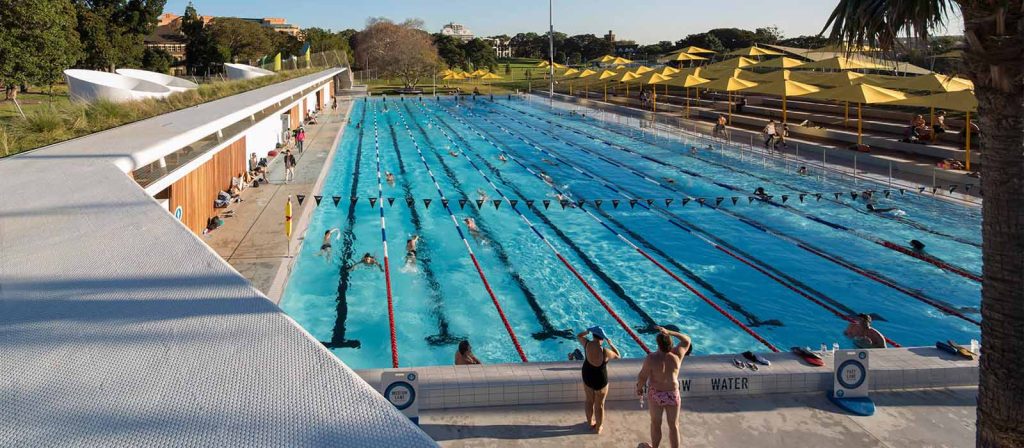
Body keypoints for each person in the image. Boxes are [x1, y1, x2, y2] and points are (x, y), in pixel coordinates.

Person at [637, 326, 691, 448]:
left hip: (656, 393)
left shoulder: (651, 358)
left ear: (658, 344)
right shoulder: (677, 355)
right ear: (671, 343)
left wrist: (639, 388)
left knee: (656, 424)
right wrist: (669, 332)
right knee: (674, 426)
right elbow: (687, 340)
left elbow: (642, 377)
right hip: (672, 393)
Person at [577, 327, 620, 434]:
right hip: (600, 379)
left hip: (587, 375)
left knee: (589, 400)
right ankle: (598, 427)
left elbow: (579, 336)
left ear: (593, 336)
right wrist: (611, 344)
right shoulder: (606, 351)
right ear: (603, 339)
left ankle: (589, 422)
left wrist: (587, 331)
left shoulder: (587, 344)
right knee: (599, 404)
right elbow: (618, 356)